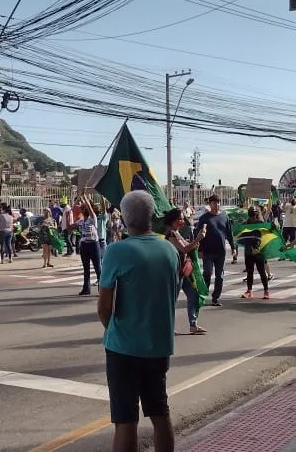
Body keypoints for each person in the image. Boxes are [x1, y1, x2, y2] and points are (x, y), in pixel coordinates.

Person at [97, 191, 179, 452]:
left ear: (123, 218)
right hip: (158, 346)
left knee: (125, 421)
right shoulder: (170, 249)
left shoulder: (117, 251)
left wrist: (114, 329)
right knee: (160, 413)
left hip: (123, 349)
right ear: (152, 216)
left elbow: (104, 305)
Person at [164, 208, 206, 334]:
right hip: (175, 272)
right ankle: (168, 327)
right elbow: (184, 249)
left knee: (193, 295)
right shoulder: (171, 234)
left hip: (184, 271)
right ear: (172, 221)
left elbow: (187, 245)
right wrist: (198, 239)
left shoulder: (177, 232)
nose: (182, 221)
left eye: (183, 218)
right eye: (180, 219)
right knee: (172, 301)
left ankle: (193, 324)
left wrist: (194, 243)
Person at [194, 194, 236, 307]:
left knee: (220, 276)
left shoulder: (224, 217)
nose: (216, 205)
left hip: (221, 252)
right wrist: (199, 249)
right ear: (210, 204)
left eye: (218, 202)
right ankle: (203, 296)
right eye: (213, 203)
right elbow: (198, 234)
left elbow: (229, 233)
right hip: (207, 251)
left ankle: (215, 298)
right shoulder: (204, 218)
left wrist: (233, 247)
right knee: (207, 274)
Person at [240, 207, 271, 300]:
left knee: (262, 271)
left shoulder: (260, 224)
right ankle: (249, 291)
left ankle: (266, 291)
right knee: (250, 272)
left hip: (259, 251)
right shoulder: (245, 224)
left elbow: (267, 233)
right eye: (252, 215)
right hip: (248, 251)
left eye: (255, 215)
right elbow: (241, 235)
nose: (253, 217)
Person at [78, 194, 102, 295]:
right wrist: (81, 197)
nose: (83, 210)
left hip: (93, 244)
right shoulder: (81, 221)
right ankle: (86, 289)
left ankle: (102, 289)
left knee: (98, 268)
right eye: (82, 209)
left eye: (84, 208)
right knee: (86, 268)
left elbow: (90, 209)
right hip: (84, 245)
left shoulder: (93, 218)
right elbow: (78, 206)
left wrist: (87, 200)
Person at [97, 197, 109, 264]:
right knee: (98, 259)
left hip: (102, 240)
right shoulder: (94, 218)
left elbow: (104, 209)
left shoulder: (103, 218)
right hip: (96, 241)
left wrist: (103, 200)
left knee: (104, 258)